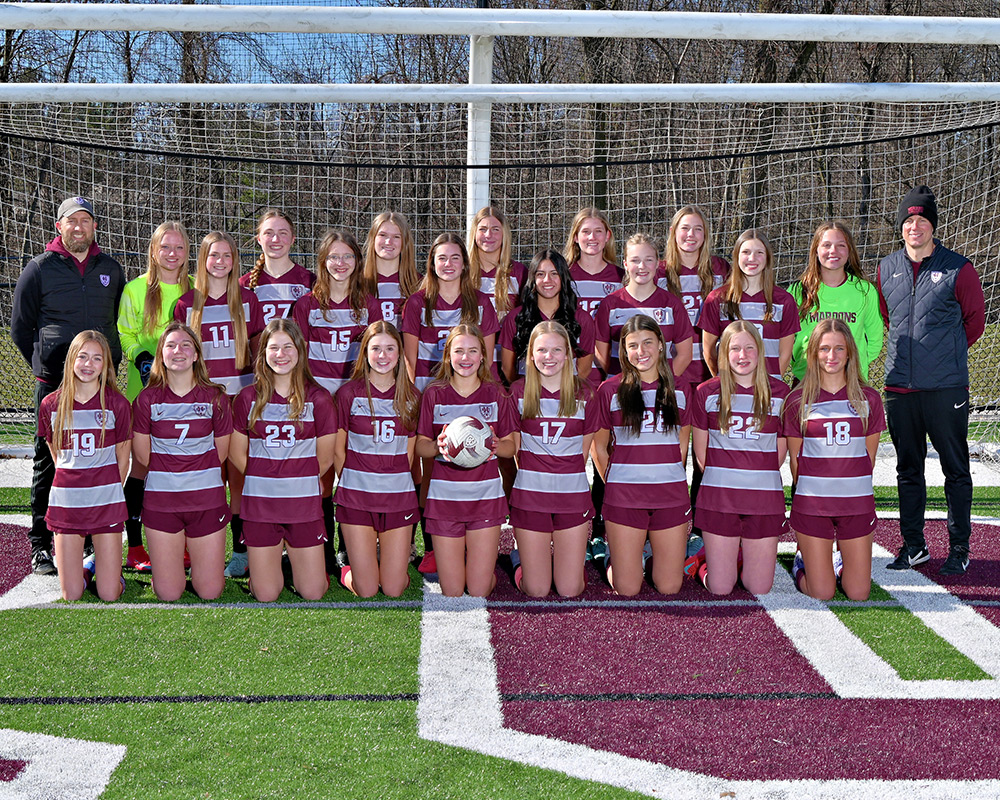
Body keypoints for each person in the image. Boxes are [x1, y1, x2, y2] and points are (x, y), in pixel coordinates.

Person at [11, 195, 126, 576]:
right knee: (49, 463)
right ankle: (41, 544)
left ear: (95, 226)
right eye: (71, 220)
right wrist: (46, 366)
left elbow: (118, 322)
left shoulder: (110, 268)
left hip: (101, 385)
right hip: (56, 389)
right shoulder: (39, 268)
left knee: (101, 458)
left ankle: (94, 538)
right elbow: (19, 328)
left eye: (86, 220)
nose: (79, 227)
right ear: (59, 226)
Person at [877, 185, 984, 575]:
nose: (915, 226)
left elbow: (975, 323)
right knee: (908, 469)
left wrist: (943, 357)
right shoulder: (884, 269)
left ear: (933, 226)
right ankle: (915, 545)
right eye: (909, 220)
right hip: (900, 389)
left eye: (922, 220)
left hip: (945, 389)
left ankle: (959, 547)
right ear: (901, 226)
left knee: (955, 469)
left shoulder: (960, 268)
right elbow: (890, 320)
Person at [174, 231, 265, 579]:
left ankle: (241, 551)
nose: (221, 262)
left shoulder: (248, 299)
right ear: (203, 259)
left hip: (240, 399)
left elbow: (259, 352)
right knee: (209, 477)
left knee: (240, 476)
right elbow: (180, 358)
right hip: (204, 402)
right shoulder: (186, 303)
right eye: (215, 255)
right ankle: (204, 549)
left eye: (227, 256)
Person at [293, 229, 382, 572]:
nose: (340, 263)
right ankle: (322, 546)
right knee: (320, 475)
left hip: (356, 403)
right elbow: (296, 359)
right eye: (333, 257)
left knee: (351, 470)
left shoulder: (369, 305)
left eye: (347, 256)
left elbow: (379, 356)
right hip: (317, 404)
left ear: (358, 262)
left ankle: (348, 546)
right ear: (323, 261)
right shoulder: (306, 305)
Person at [229, 319, 335, 602]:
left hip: (303, 504)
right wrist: (266, 477)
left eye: (288, 347)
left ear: (300, 350)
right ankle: (266, 569)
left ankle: (299, 565)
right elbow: (237, 453)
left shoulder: (320, 399)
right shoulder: (247, 398)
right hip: (260, 505)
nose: (281, 354)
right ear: (263, 353)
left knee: (312, 592)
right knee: (266, 594)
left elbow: (324, 459)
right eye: (274, 348)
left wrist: (294, 479)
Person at [783, 320, 885, 600]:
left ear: (850, 352)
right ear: (814, 353)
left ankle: (838, 563)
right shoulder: (797, 400)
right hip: (814, 504)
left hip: (856, 503)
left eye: (839, 349)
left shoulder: (870, 399)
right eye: (825, 349)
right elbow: (796, 462)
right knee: (822, 592)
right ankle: (803, 562)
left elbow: (869, 458)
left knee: (858, 592)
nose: (832, 356)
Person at [131, 322, 232, 601]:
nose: (179, 351)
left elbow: (220, 454)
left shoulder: (216, 398)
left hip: (206, 500)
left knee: (210, 592)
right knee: (168, 593)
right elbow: (142, 456)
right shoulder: (146, 399)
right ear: (161, 355)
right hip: (163, 501)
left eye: (186, 345)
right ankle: (165, 576)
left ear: (197, 355)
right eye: (171, 345)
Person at [592, 314, 691, 597]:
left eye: (648, 342)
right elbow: (598, 447)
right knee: (627, 588)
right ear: (624, 351)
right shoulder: (610, 391)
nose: (641, 351)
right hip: (625, 496)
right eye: (633, 345)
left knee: (669, 586)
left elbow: (682, 445)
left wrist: (666, 476)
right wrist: (614, 483)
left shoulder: (680, 388)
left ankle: (647, 557)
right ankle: (609, 554)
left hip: (669, 495)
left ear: (661, 344)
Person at [415, 325, 515, 597]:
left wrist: (495, 444)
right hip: (445, 498)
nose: (466, 357)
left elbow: (510, 447)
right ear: (448, 356)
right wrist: (438, 445)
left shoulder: (496, 394)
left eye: (473, 350)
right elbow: (421, 447)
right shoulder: (434, 393)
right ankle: (466, 565)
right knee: (452, 591)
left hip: (485, 497)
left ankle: (481, 568)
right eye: (459, 351)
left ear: (483, 356)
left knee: (479, 589)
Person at [688, 321, 788, 595]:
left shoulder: (780, 394)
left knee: (759, 588)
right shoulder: (706, 393)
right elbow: (701, 456)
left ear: (760, 351)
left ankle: (740, 558)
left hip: (763, 498)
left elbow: (778, 455)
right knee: (721, 587)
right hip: (720, 498)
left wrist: (751, 475)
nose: (742, 356)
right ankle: (702, 563)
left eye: (749, 348)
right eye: (735, 349)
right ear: (724, 353)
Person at [117, 220, 192, 572]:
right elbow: (124, 333)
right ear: (153, 251)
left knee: (185, 467)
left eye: (179, 247)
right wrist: (141, 358)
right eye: (166, 247)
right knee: (143, 466)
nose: (172, 254)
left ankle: (187, 545)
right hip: (143, 391)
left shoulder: (196, 290)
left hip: (186, 393)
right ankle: (135, 547)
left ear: (187, 253)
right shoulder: (134, 290)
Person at [38, 330, 130, 601]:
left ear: (106, 365)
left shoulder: (118, 404)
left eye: (97, 358)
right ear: (71, 361)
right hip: (67, 502)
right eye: (83, 357)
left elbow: (122, 458)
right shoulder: (51, 404)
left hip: (105, 500)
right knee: (72, 594)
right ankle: (91, 566)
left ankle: (106, 571)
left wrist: (108, 491)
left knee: (110, 593)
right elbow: (57, 456)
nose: (88, 364)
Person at [509, 321, 597, 597]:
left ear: (569, 354)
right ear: (531, 356)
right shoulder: (518, 392)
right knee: (536, 590)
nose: (549, 357)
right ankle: (518, 559)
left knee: (569, 589)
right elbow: (515, 450)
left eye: (557, 350)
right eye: (542, 350)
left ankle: (569, 564)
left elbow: (582, 454)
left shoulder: (586, 393)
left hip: (572, 496)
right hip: (530, 496)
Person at [333, 321, 421, 597]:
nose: (383, 356)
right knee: (367, 589)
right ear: (365, 353)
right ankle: (347, 570)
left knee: (394, 589)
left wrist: (389, 479)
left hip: (397, 497)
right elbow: (339, 451)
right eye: (376, 349)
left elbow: (409, 453)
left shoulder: (411, 397)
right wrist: (353, 483)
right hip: (357, 496)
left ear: (399, 353)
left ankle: (386, 565)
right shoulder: (348, 394)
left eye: (390, 348)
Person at [788, 221, 883, 382]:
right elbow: (786, 339)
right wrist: (799, 363)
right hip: (808, 379)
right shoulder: (798, 291)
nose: (833, 251)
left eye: (841, 245)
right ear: (816, 251)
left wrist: (856, 363)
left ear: (849, 251)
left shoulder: (865, 291)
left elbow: (875, 340)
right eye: (826, 245)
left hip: (851, 381)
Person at [699, 229, 799, 380]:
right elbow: (709, 352)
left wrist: (769, 384)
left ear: (767, 259)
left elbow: (785, 354)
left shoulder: (784, 301)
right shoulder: (717, 299)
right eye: (746, 252)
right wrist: (725, 380)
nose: (752, 258)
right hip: (729, 391)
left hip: (767, 392)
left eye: (759, 252)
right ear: (737, 257)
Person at [594, 232, 694, 380]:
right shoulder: (610, 304)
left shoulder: (672, 304)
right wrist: (623, 382)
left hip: (661, 390)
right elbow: (601, 353)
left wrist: (662, 382)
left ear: (657, 263)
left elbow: (685, 354)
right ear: (625, 264)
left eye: (648, 260)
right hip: (623, 390)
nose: (642, 266)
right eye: (635, 260)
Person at [657, 205, 730, 393]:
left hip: (713, 370)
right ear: (673, 232)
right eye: (685, 228)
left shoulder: (720, 269)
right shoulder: (657, 272)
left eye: (698, 229)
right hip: (671, 371)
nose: (691, 234)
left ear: (705, 234)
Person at [500, 249, 595, 384]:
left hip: (565, 397)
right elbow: (507, 368)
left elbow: (584, 369)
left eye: (554, 274)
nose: (547, 280)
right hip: (528, 398)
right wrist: (525, 392)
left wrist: (560, 394)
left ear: (563, 277)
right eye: (540, 274)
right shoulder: (515, 318)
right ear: (532, 278)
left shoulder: (582, 319)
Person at [240, 208, 314, 325]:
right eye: (268, 233)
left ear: (292, 239)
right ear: (259, 239)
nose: (276, 239)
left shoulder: (310, 282)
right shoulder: (244, 285)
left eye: (283, 233)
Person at [468, 206, 527, 321]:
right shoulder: (462, 272)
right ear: (474, 233)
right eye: (482, 229)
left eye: (495, 229)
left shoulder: (519, 272)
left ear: (504, 233)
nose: (488, 235)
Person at [361, 211, 419, 328]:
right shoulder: (358, 282)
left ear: (405, 242)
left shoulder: (418, 284)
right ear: (373, 238)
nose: (388, 242)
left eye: (396, 237)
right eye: (383, 235)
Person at [564, 207, 622, 319]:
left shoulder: (621, 277)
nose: (592, 237)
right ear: (576, 237)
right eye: (586, 232)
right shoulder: (564, 276)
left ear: (607, 236)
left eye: (598, 231)